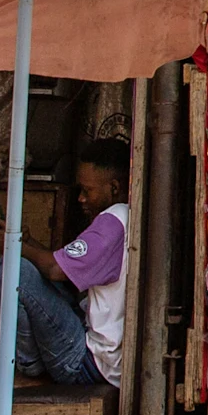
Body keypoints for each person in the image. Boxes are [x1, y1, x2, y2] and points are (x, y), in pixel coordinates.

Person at [44, 136, 134, 390]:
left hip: (95, 363)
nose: (81, 199)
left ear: (114, 188)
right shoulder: (130, 215)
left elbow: (55, 269)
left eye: (87, 190)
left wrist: (16, 242)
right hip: (111, 360)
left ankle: (29, 364)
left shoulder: (113, 220)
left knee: (19, 272)